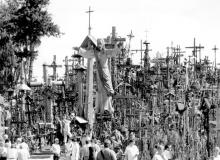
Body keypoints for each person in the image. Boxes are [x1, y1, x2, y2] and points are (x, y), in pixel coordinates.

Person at [77, 37, 122, 114]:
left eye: (100, 43)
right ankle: (98, 107)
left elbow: (114, 52)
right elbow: (87, 54)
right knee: (99, 89)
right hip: (98, 73)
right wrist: (79, 50)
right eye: (98, 43)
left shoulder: (106, 52)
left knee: (106, 89)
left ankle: (106, 107)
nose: (99, 45)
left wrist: (118, 47)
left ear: (103, 44)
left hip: (105, 72)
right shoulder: (95, 52)